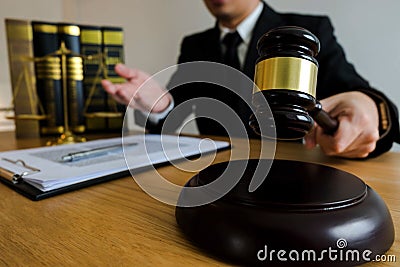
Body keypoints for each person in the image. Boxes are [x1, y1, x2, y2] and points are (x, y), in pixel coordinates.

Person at [102, 0, 400, 158]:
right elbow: (174, 113)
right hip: (216, 176)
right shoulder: (195, 45)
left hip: (296, 174)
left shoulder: (310, 30)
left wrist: (369, 107)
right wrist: (159, 105)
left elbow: (359, 96)